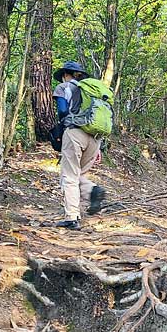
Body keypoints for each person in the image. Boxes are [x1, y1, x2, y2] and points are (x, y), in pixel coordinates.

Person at [52, 61, 106, 230]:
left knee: (69, 176)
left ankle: (72, 217)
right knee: (76, 174)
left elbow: (62, 111)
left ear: (65, 74)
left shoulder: (64, 87)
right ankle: (92, 190)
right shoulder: (92, 91)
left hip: (74, 133)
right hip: (95, 137)